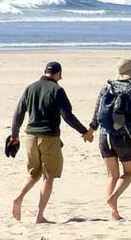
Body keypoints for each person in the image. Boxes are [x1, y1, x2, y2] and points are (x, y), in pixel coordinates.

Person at [9, 61, 93, 223]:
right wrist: (85, 132)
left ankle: (19, 197)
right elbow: (67, 116)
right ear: (59, 74)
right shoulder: (57, 90)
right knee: (48, 177)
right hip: (49, 137)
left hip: (30, 137)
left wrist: (14, 135)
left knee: (33, 173)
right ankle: (39, 216)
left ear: (44, 72)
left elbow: (18, 112)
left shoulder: (31, 87)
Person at [89, 58, 131, 220]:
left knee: (112, 175)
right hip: (122, 136)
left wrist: (92, 129)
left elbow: (96, 110)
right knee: (129, 172)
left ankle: (113, 212)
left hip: (103, 135)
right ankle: (113, 198)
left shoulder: (106, 87)